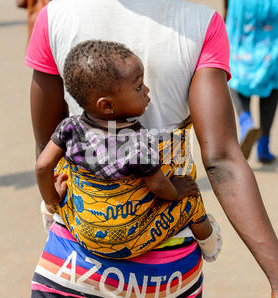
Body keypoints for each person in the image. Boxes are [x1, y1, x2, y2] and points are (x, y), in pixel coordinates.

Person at [26, 0, 278, 298]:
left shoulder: (54, 17)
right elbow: (222, 161)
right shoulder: (201, 25)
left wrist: (50, 202)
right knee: (189, 200)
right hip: (165, 279)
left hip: (71, 267)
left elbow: (45, 148)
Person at [35, 39, 221, 261]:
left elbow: (42, 166)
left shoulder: (69, 127)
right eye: (139, 87)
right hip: (126, 243)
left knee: (63, 171)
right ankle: (209, 245)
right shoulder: (138, 142)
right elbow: (158, 185)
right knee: (190, 199)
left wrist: (51, 198)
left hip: (84, 232)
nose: (147, 90)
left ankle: (49, 210)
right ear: (106, 105)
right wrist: (177, 189)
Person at [224, 0, 278, 162]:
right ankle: (264, 146)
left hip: (245, 6)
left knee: (237, 68)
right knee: (272, 73)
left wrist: (227, 9)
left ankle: (246, 122)